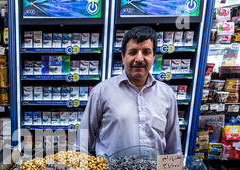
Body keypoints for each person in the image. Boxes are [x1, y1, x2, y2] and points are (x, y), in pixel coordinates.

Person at [77, 26, 182, 156]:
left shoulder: (167, 95)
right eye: (132, 52)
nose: (139, 59)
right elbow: (83, 137)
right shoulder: (102, 92)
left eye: (146, 52)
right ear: (123, 57)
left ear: (154, 56)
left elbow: (174, 146)